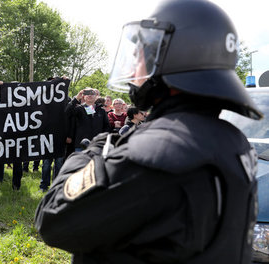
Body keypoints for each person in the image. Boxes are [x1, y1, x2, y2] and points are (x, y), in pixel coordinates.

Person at [35, 0, 261, 263]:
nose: (135, 65)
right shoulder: (234, 143)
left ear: (172, 58)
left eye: (142, 54)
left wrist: (96, 148)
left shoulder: (156, 154)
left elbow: (52, 219)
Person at [65, 87, 110, 152]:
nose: (89, 95)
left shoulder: (101, 110)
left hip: (97, 145)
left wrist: (102, 139)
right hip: (81, 145)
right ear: (84, 96)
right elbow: (67, 112)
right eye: (87, 93)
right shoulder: (79, 109)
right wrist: (77, 98)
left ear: (96, 96)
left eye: (92, 93)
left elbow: (107, 126)